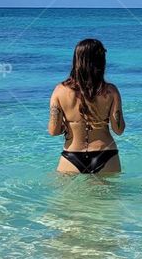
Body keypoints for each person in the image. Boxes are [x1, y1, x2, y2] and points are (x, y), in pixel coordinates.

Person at [48, 38, 125, 175]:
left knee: (66, 197)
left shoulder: (60, 90)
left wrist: (70, 125)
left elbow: (53, 131)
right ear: (101, 61)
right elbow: (118, 130)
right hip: (106, 154)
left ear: (76, 60)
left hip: (72, 155)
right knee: (108, 197)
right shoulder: (111, 91)